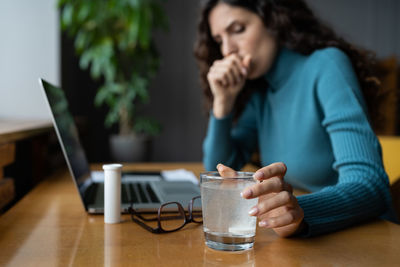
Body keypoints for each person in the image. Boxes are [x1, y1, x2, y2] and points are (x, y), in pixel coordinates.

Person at [194, 0, 397, 237]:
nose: (227, 50)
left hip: (367, 238)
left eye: (238, 29)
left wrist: (298, 210)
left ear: (273, 19)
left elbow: (370, 185)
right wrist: (222, 105)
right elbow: (219, 172)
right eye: (219, 41)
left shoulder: (327, 65)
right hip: (310, 242)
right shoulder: (261, 90)